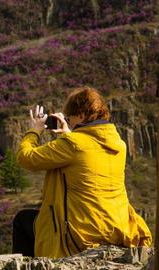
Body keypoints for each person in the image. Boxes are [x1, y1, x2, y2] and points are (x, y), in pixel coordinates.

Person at [12, 86, 152, 258]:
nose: (68, 121)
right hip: (116, 228)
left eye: (69, 117)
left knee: (22, 220)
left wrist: (34, 130)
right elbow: (86, 156)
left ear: (82, 115)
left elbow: (26, 158)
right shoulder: (119, 144)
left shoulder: (73, 144)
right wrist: (69, 134)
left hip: (82, 234)